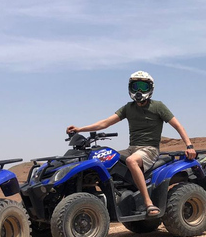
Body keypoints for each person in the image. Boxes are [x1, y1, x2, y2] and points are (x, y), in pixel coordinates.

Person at [66, 71, 196, 217]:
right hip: (132, 148)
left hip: (149, 149)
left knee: (131, 161)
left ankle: (148, 203)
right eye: (136, 87)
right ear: (130, 88)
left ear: (150, 88)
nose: (139, 91)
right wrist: (79, 129)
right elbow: (105, 123)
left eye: (143, 86)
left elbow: (178, 126)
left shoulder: (158, 106)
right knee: (105, 159)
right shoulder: (128, 108)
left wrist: (189, 145)